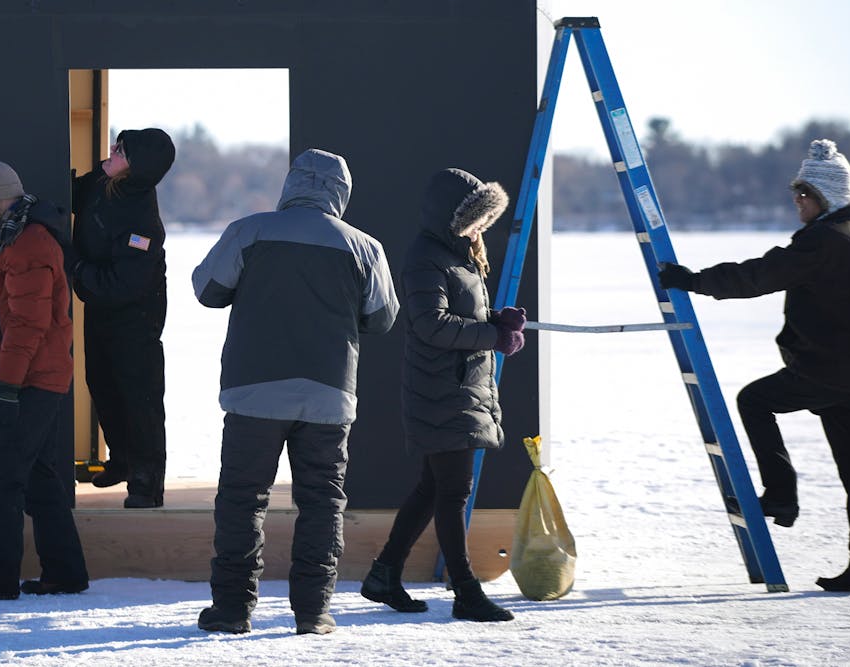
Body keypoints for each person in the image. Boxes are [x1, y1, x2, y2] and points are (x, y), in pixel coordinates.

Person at [659, 139, 850, 595]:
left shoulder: (826, 240)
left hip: (831, 366)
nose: (797, 201)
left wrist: (693, 281)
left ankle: (780, 494)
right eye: (796, 192)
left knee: (754, 400)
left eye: (805, 194)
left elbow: (762, 274)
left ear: (827, 198)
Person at [191, 148, 399, 635]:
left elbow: (207, 290)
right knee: (323, 502)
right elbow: (382, 319)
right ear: (341, 194)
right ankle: (313, 611)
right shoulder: (365, 247)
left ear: (290, 186)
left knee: (243, 499)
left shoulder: (248, 231)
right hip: (328, 394)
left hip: (253, 391)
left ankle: (232, 610)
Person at [360, 168, 525, 623]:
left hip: (457, 387)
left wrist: (497, 318)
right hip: (440, 389)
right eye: (474, 220)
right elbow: (431, 325)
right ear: (450, 217)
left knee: (434, 488)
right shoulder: (425, 257)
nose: (479, 229)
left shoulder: (459, 256)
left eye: (483, 221)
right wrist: (492, 336)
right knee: (453, 490)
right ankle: (466, 592)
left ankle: (384, 574)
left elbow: (460, 312)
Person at [0, 160, 90, 600]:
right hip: (39, 380)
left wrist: (5, 386)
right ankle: (64, 573)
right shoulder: (19, 238)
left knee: (1, 478)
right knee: (43, 479)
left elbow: (27, 326)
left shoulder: (28, 245)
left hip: (28, 382)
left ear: (2, 197)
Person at [70, 128, 176, 508]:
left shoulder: (141, 221)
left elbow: (121, 284)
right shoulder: (103, 181)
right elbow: (73, 193)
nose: (112, 151)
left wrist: (76, 268)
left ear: (138, 168)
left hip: (135, 315)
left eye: (122, 151)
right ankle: (123, 460)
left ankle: (147, 484)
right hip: (101, 305)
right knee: (101, 382)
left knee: (140, 395)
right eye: (117, 144)